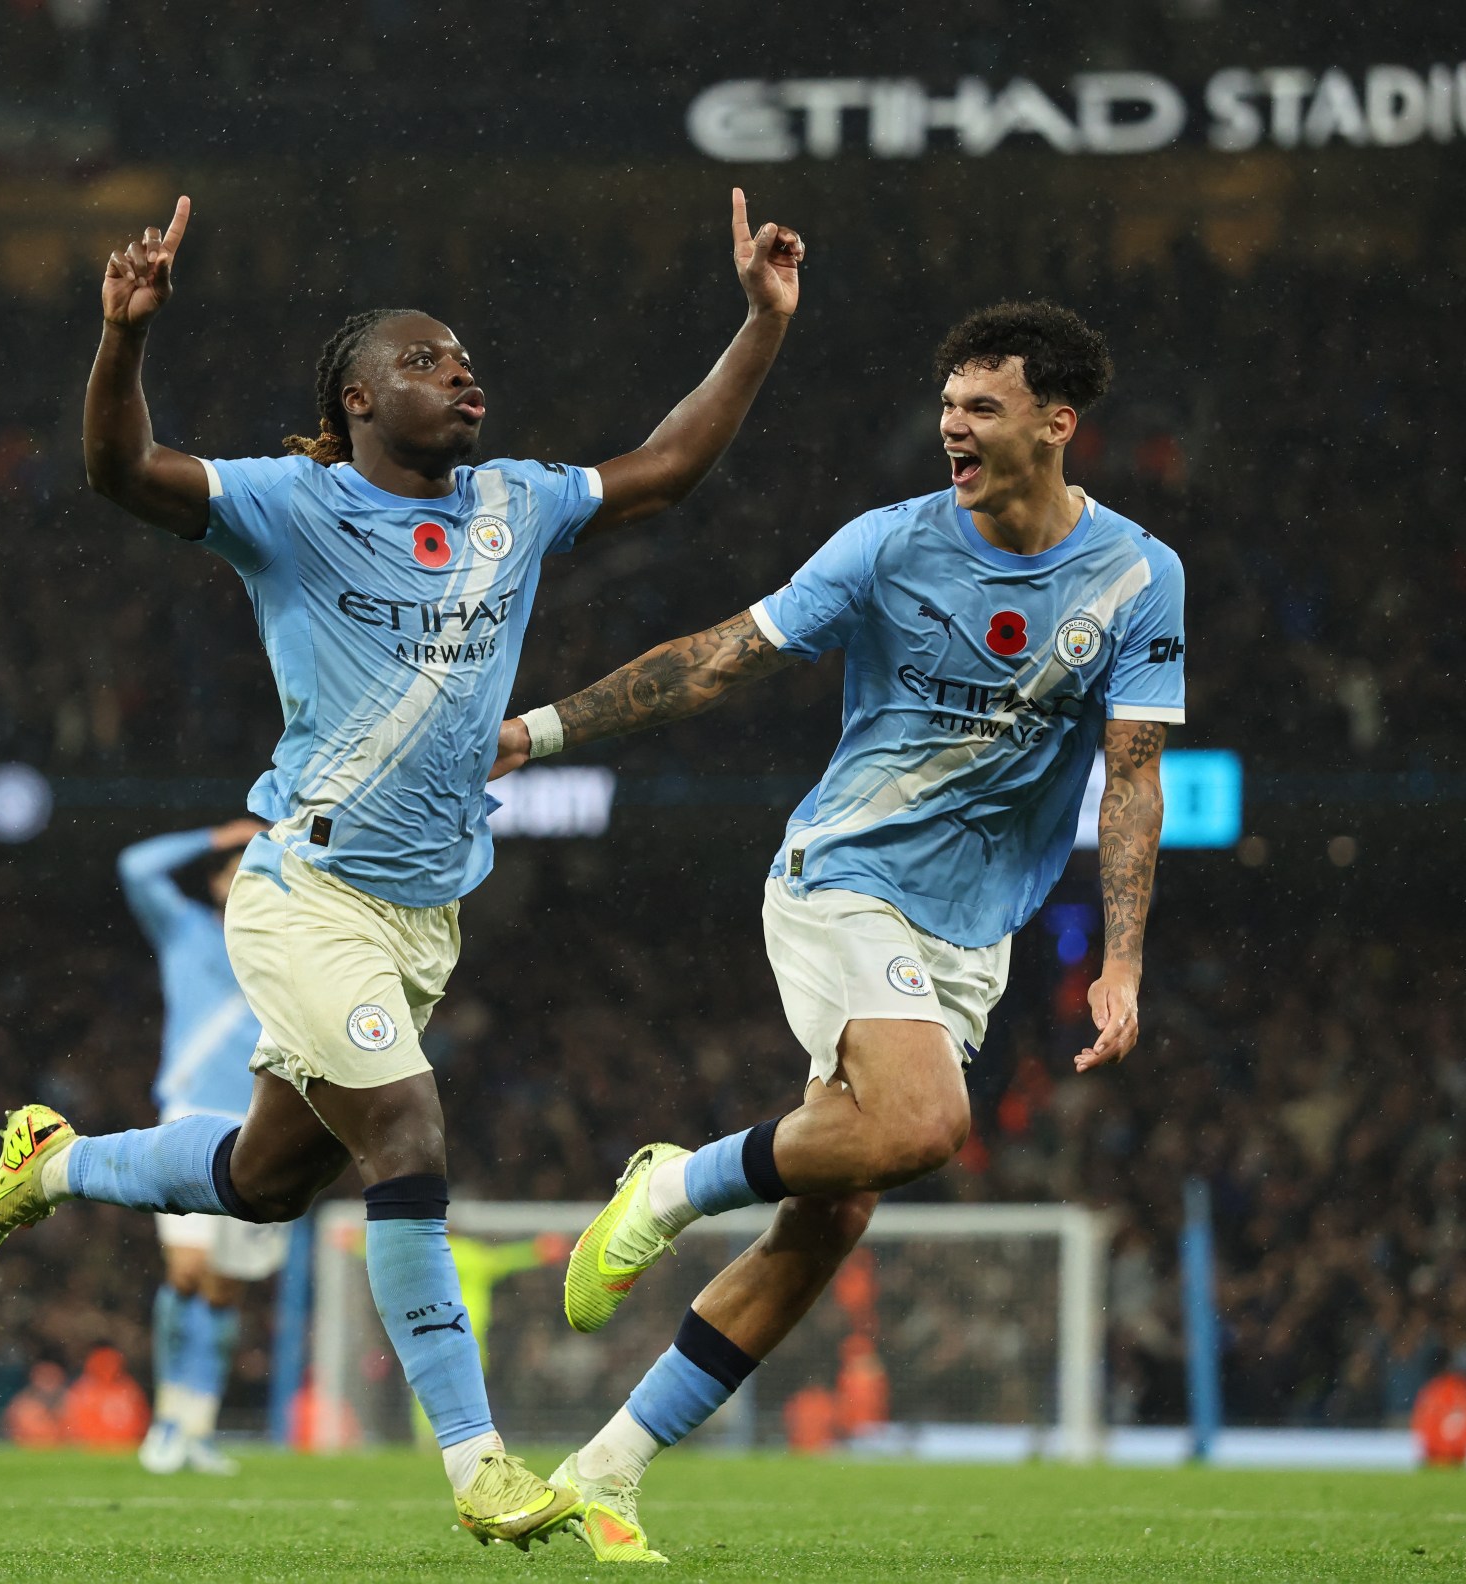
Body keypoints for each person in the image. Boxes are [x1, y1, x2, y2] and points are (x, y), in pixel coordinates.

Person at [0, 187, 803, 1548]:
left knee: (263, 1183)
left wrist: (759, 324)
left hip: (422, 917)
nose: (459, 370)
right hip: (307, 890)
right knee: (406, 1132)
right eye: (423, 357)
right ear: (355, 399)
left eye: (462, 354)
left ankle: (50, 1167)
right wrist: (123, 339)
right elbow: (124, 472)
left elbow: (668, 469)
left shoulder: (517, 504)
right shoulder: (288, 506)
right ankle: (482, 1470)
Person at [497, 301, 1185, 1559]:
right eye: (947, 406)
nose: (953, 428)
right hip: (845, 874)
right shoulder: (885, 546)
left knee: (837, 1213)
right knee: (925, 1125)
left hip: (974, 930)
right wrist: (536, 735)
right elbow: (719, 661)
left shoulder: (1140, 575)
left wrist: (1123, 958)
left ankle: (609, 1466)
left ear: (1057, 423)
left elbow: (1131, 776)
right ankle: (673, 1184)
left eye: (982, 408)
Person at [117, 817, 279, 1477]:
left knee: (223, 1291)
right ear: (216, 885)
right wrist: (221, 835)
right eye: (233, 872)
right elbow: (135, 864)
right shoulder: (185, 931)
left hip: (263, 1128)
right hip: (189, 1118)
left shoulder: (290, 955)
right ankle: (166, 1421)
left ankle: (199, 1429)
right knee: (184, 1273)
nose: (243, 883)